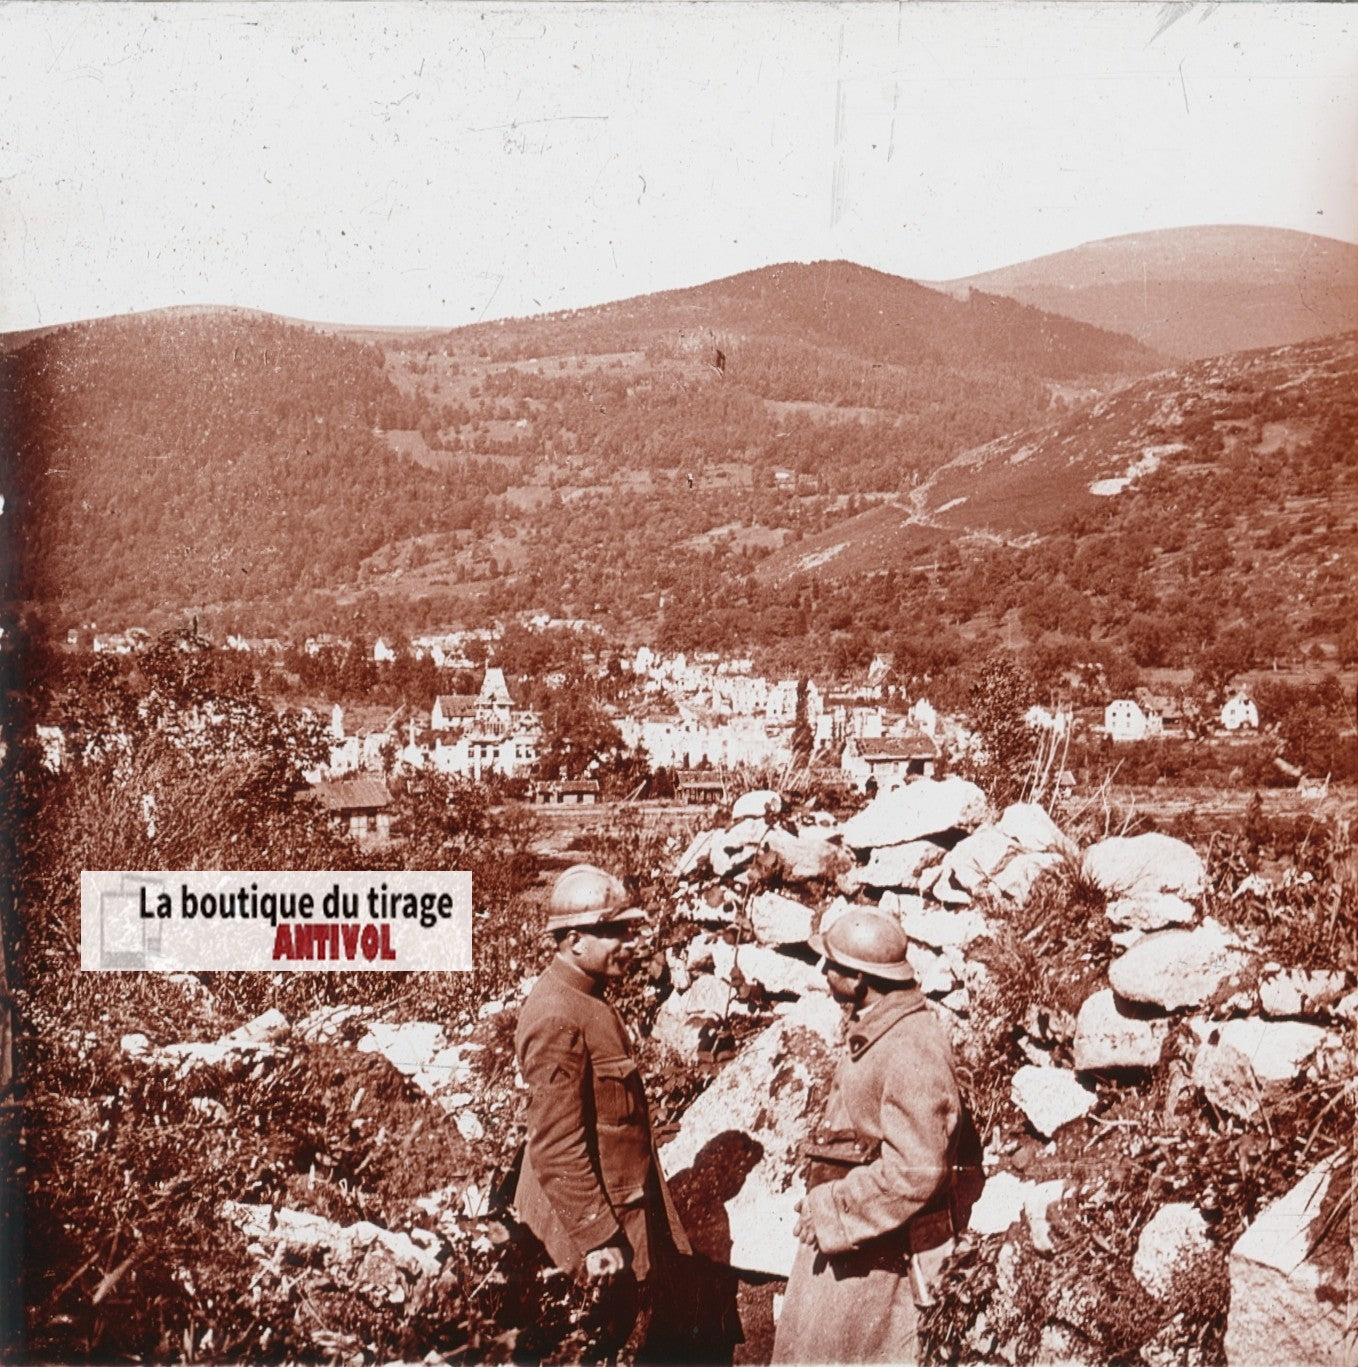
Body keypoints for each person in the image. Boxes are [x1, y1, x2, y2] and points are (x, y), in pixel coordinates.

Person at [772, 908, 964, 1365]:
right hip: (855, 1247)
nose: (824, 972)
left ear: (858, 979)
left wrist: (834, 1210)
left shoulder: (911, 1047)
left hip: (875, 1261)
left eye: (832, 964)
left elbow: (915, 1170)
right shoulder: (882, 1025)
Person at [513, 862, 691, 1354]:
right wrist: (597, 1238)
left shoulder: (586, 996)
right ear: (574, 940)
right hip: (584, 1236)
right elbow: (554, 1145)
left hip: (615, 1215)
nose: (628, 942)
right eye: (614, 932)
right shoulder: (557, 1014)